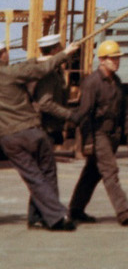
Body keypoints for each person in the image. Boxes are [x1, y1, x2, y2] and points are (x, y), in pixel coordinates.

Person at [0, 39, 75, 231]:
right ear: (3, 55)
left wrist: (41, 58)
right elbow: (40, 71)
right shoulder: (9, 73)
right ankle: (57, 216)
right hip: (29, 131)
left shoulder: (11, 71)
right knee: (45, 173)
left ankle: (36, 217)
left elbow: (27, 66)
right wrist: (64, 54)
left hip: (7, 138)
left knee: (33, 176)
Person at [69, 39, 128, 226]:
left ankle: (76, 209)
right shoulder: (92, 83)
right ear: (102, 60)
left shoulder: (117, 82)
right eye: (112, 58)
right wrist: (88, 142)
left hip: (113, 135)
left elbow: (125, 110)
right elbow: (85, 114)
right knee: (110, 170)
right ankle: (124, 212)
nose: (116, 61)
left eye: (117, 58)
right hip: (98, 134)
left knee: (92, 173)